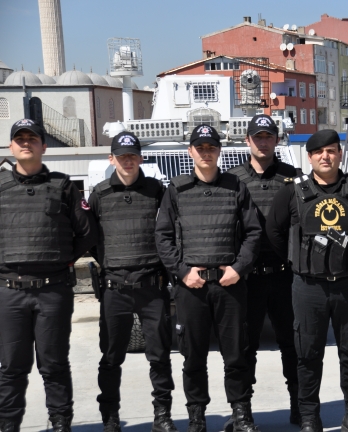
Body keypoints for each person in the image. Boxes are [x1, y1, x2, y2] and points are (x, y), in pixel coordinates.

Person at [266, 130, 348, 432]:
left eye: (331, 150)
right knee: (307, 355)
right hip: (308, 287)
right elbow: (274, 232)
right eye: (319, 152)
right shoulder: (292, 192)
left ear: (340, 154)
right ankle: (309, 417)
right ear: (309, 157)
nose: (325, 156)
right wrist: (296, 260)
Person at [155, 124, 262, 432]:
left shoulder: (236, 186)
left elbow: (253, 232)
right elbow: (163, 237)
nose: (206, 153)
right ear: (190, 151)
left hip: (229, 284)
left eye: (211, 147)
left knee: (237, 355)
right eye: (200, 148)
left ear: (219, 151)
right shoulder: (176, 189)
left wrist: (238, 269)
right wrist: (182, 272)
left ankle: (241, 414)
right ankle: (197, 417)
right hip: (192, 286)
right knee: (193, 357)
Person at [0, 119, 98, 432]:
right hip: (9, 291)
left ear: (44, 146)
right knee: (11, 366)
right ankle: (7, 425)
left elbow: (87, 233)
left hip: (52, 290)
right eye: (20, 139)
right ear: (11, 146)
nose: (26, 143)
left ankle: (60, 423)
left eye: (32, 138)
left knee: (54, 364)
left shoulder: (63, 186)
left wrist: (63, 260)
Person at [89, 131, 176, 432]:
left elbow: (170, 231)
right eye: (121, 156)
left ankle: (162, 416)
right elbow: (92, 239)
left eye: (132, 155)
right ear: (111, 159)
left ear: (140, 158)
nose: (127, 160)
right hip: (115, 288)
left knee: (160, 356)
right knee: (111, 358)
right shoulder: (99, 194)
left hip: (152, 287)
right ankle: (110, 417)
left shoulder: (157, 191)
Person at [227, 115, 301, 425]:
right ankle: (242, 412)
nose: (263, 142)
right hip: (247, 278)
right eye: (257, 136)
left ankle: (300, 406)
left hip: (285, 275)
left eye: (269, 136)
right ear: (247, 140)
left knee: (293, 345)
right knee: (244, 349)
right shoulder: (232, 179)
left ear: (277, 140)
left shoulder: (293, 177)